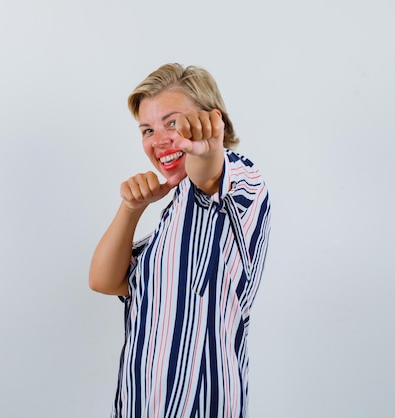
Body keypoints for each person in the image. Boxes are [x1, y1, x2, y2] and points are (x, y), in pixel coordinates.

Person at [89, 63, 271, 418]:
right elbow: (103, 281)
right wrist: (130, 208)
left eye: (172, 122)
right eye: (147, 129)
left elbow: (209, 171)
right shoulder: (170, 219)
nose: (158, 140)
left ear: (211, 121)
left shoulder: (237, 178)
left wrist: (206, 151)